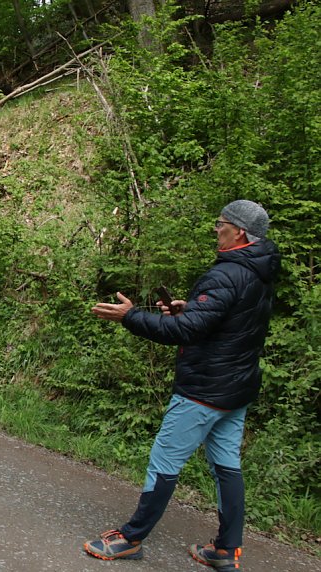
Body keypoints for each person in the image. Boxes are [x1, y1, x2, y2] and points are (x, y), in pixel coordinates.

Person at [84, 200, 280, 571]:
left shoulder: (226, 274)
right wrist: (190, 308)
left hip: (204, 389)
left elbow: (183, 333)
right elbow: (228, 320)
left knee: (165, 460)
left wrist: (131, 317)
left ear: (238, 231)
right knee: (226, 465)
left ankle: (130, 539)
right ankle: (225, 550)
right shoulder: (259, 271)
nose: (216, 230)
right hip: (236, 389)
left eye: (220, 224)